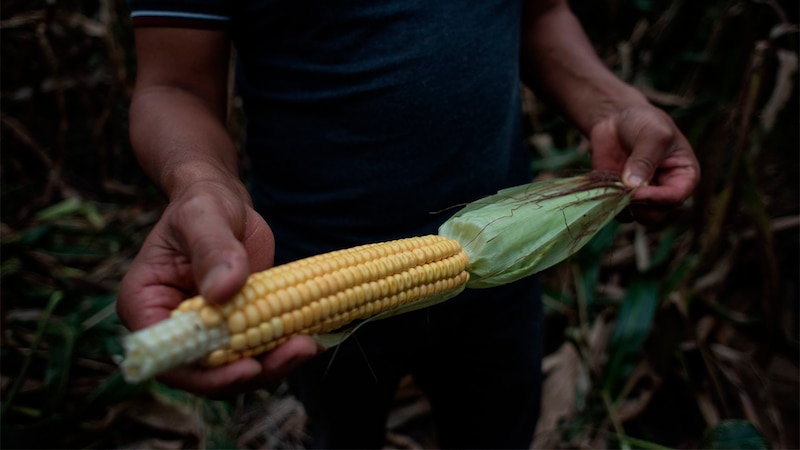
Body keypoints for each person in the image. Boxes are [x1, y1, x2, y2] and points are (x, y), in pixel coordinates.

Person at [117, 0, 700, 448]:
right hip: (307, 277)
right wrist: (201, 183)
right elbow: (175, 86)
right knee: (343, 433)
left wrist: (609, 106)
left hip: (499, 272)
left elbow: (541, 11)